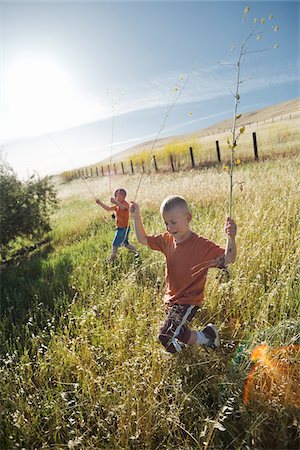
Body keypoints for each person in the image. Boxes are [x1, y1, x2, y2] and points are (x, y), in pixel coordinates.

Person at [130, 195, 237, 353]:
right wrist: (136, 216)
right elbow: (143, 239)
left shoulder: (201, 246)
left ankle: (182, 357)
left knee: (165, 336)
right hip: (172, 299)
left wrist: (231, 237)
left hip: (188, 301)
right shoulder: (167, 240)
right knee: (179, 332)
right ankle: (209, 337)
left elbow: (228, 259)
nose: (169, 228)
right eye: (166, 223)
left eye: (173, 222)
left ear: (188, 218)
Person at [96, 188, 138, 263]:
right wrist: (100, 203)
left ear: (123, 196)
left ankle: (111, 260)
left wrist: (115, 202)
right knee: (125, 244)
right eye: (115, 196)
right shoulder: (117, 206)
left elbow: (124, 208)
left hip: (123, 229)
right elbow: (108, 209)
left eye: (117, 196)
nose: (115, 198)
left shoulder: (125, 204)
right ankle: (136, 252)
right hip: (122, 228)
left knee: (114, 245)